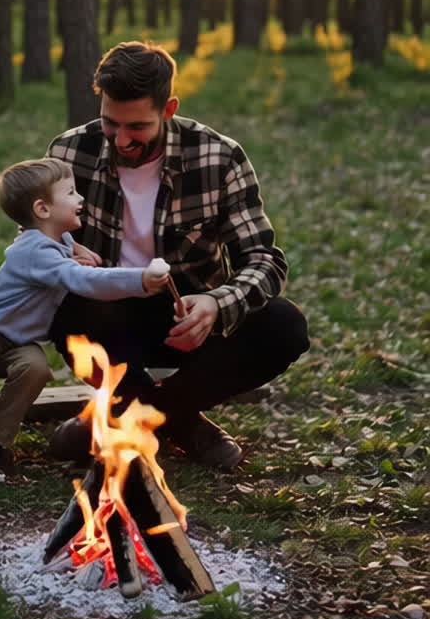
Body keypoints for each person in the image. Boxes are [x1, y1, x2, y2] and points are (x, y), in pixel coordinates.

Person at [47, 40, 309, 470]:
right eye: (111, 123)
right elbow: (36, 249)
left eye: (138, 127)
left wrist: (216, 302)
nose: (122, 139)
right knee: (62, 301)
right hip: (105, 318)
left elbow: (264, 259)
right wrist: (64, 255)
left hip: (187, 318)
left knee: (285, 326)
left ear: (168, 110)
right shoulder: (69, 152)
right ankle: (179, 424)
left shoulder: (218, 156)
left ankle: (121, 419)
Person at [0, 156, 169, 489]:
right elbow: (82, 280)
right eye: (72, 193)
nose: (80, 200)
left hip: (19, 342)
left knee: (36, 369)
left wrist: (77, 247)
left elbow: (58, 248)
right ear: (43, 210)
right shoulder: (34, 252)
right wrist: (142, 280)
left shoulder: (51, 240)